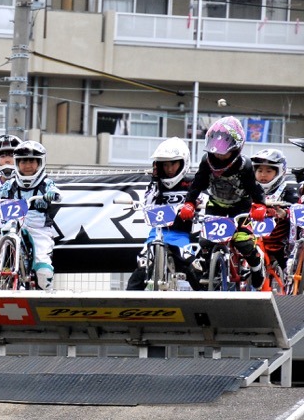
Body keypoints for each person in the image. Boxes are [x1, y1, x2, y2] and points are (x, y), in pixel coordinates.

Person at [177, 116, 267, 289]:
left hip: (240, 207)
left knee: (244, 242)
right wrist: (189, 203)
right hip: (215, 204)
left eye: (224, 151)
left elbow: (254, 188)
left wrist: (260, 205)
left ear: (236, 149)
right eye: (216, 150)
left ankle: (257, 267)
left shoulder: (244, 165)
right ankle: (208, 268)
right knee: (205, 241)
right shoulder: (206, 162)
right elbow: (197, 184)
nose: (219, 155)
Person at [125, 137, 202, 290]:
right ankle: (128, 302)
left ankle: (209, 301)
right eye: (165, 165)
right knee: (142, 265)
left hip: (180, 236)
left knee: (194, 267)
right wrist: (154, 181)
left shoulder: (191, 183)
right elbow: (147, 203)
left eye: (173, 164)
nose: (169, 169)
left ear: (183, 162)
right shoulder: (156, 183)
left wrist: (195, 206)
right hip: (156, 234)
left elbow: (201, 199)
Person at [0, 140, 61, 290]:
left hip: (39, 229)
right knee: (4, 233)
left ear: (40, 163)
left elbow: (57, 193)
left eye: (32, 161)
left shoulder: (46, 183)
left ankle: (45, 294)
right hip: (14, 224)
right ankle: (5, 268)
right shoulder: (11, 184)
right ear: (17, 163)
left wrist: (51, 196)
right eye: (23, 161)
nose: (28, 165)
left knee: (43, 271)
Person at [251, 149, 297, 282]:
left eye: (268, 171)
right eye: (259, 171)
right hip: (252, 238)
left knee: (287, 268)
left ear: (279, 172)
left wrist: (285, 213)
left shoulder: (288, 188)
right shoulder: (249, 188)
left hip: (278, 242)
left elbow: (297, 208)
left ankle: (288, 282)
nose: (263, 175)